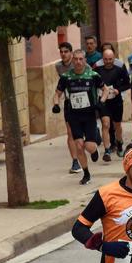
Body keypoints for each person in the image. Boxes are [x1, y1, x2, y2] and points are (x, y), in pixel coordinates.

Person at [53, 49, 102, 185]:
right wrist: (56, 105)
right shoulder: (66, 77)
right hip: (73, 115)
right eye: (76, 59)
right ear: (72, 60)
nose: (78, 62)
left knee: (89, 146)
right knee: (79, 145)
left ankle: (94, 145)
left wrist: (101, 102)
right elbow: (57, 94)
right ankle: (86, 173)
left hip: (89, 115)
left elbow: (105, 90)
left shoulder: (93, 75)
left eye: (81, 59)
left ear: (85, 60)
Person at [96, 48, 132, 161]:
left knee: (117, 125)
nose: (108, 62)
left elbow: (127, 84)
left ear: (114, 57)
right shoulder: (97, 67)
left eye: (110, 59)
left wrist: (118, 90)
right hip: (103, 100)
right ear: (102, 58)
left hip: (116, 100)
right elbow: (93, 82)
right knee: (105, 124)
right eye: (105, 59)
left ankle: (119, 143)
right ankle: (107, 150)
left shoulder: (120, 66)